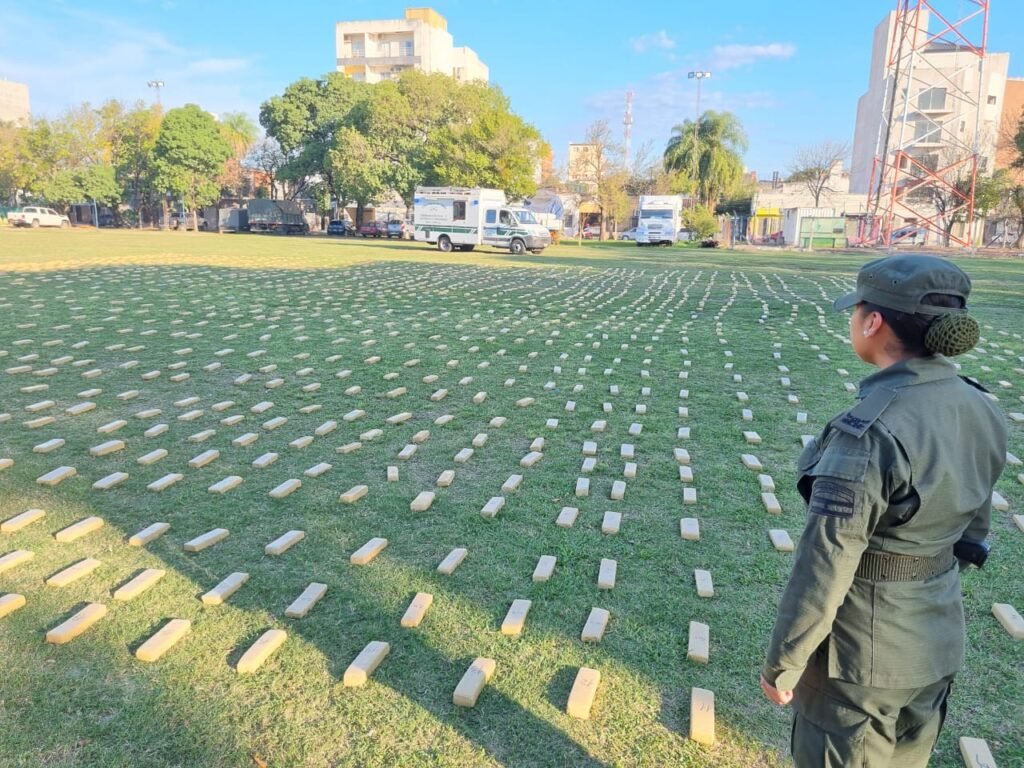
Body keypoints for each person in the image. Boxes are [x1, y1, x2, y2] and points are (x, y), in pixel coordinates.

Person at [760, 254, 1008, 766]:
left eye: (856, 312)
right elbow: (972, 531)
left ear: (873, 321)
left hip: (860, 663)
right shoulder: (979, 404)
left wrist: (784, 663)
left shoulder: (870, 433)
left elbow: (826, 563)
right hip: (935, 635)